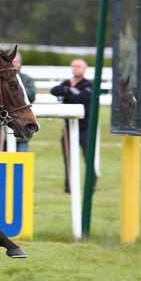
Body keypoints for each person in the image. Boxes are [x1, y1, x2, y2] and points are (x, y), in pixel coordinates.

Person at [50, 58, 94, 193]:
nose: (75, 69)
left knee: (88, 157)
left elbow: (80, 98)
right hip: (68, 127)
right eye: (73, 66)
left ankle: (91, 183)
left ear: (84, 69)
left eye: (78, 66)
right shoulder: (67, 83)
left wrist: (67, 92)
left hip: (85, 128)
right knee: (67, 157)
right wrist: (69, 90)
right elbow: (54, 90)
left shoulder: (89, 84)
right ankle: (69, 185)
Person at [0, 52, 36, 151]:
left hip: (22, 126)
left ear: (20, 63)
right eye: (11, 62)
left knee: (21, 163)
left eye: (15, 62)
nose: (13, 64)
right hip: (2, 127)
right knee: (0, 163)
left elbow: (31, 95)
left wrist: (14, 88)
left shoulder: (26, 79)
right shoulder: (0, 78)